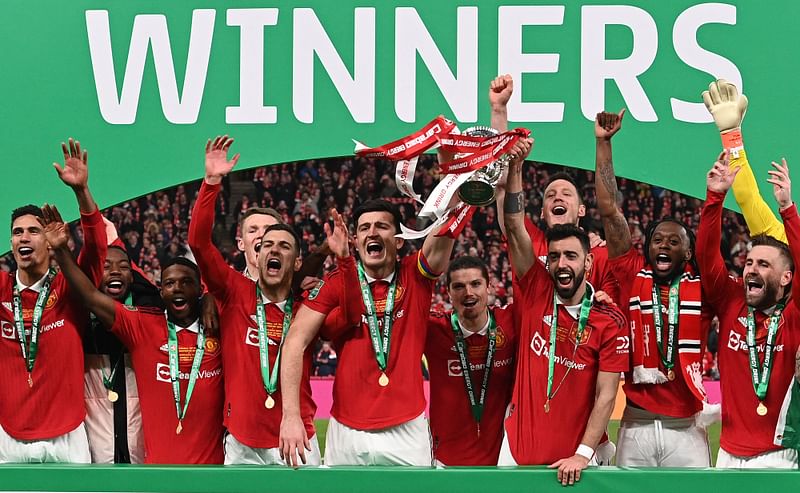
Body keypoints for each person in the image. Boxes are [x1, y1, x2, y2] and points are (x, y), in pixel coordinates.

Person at [188, 136, 355, 465]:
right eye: (265, 244)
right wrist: (211, 183)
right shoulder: (234, 291)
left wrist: (345, 261)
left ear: (295, 262)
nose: (272, 249)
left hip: (297, 437)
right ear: (256, 254)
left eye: (283, 245)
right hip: (241, 440)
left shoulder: (309, 302)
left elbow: (348, 318)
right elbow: (199, 243)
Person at [280, 198, 457, 467]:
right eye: (364, 228)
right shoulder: (335, 283)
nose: (372, 232)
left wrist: (459, 187)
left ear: (398, 240)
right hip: (347, 429)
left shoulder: (416, 274)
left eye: (382, 226)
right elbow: (294, 342)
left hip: (408, 428)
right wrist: (291, 415)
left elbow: (444, 232)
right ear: (356, 240)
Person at [43, 205, 225, 464]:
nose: (177, 288)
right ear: (161, 292)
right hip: (124, 442)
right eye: (170, 283)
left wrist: (211, 298)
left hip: (210, 464)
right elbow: (90, 296)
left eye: (186, 282)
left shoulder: (217, 325)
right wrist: (62, 250)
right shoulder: (144, 324)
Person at [500, 136, 629, 486]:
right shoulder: (537, 286)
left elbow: (611, 214)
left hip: (579, 458)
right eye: (555, 257)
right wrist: (514, 167)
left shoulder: (607, 311)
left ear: (588, 260)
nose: (560, 263)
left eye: (570, 256)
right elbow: (511, 221)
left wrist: (583, 453)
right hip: (515, 449)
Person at [593, 109, 713, 466]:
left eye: (673, 242)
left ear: (688, 252)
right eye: (657, 240)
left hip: (688, 428)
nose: (662, 245)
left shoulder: (704, 286)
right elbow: (610, 210)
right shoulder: (632, 273)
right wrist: (603, 145)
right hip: (636, 422)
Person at [0, 139, 105, 463]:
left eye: (34, 230)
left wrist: (81, 192)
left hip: (68, 434)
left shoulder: (69, 288)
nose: (24, 237)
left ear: (49, 239)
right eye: (17, 232)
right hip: (9, 433)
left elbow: (98, 247)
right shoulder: (1, 289)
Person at [697, 152, 800, 468]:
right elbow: (706, 256)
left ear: (786, 277)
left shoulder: (795, 313)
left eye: (764, 264)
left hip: (779, 456)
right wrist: (715, 197)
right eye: (749, 263)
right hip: (727, 456)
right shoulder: (731, 302)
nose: (751, 269)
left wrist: (787, 210)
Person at [490, 75, 618, 300]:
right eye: (550, 195)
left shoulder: (599, 254)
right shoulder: (529, 241)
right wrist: (499, 109)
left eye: (566, 194)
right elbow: (501, 187)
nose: (558, 197)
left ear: (581, 210)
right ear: (542, 212)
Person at [425, 255, 518, 466]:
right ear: (448, 293)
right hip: (446, 462)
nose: (468, 293)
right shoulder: (433, 328)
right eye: (458, 286)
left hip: (503, 462)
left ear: (490, 287)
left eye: (476, 284)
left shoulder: (511, 321)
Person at [83, 240, 160, 464]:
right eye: (106, 266)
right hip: (96, 433)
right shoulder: (78, 313)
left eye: (124, 266)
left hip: (138, 437)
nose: (115, 271)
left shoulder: (152, 311)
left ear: (132, 275)